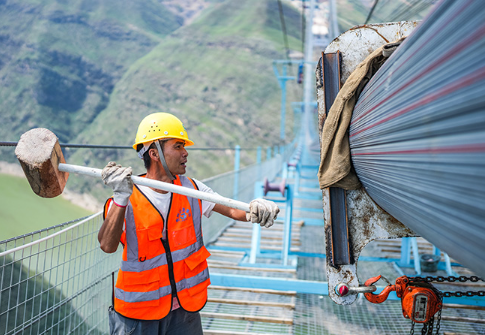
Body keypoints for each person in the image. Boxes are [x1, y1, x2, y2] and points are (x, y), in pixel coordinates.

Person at [98, 112, 279, 335]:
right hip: (139, 312)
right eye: (178, 146)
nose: (185, 153)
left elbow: (232, 209)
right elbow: (107, 245)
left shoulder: (192, 189)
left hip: (184, 308)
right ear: (154, 153)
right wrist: (120, 198)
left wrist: (255, 209)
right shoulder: (126, 195)